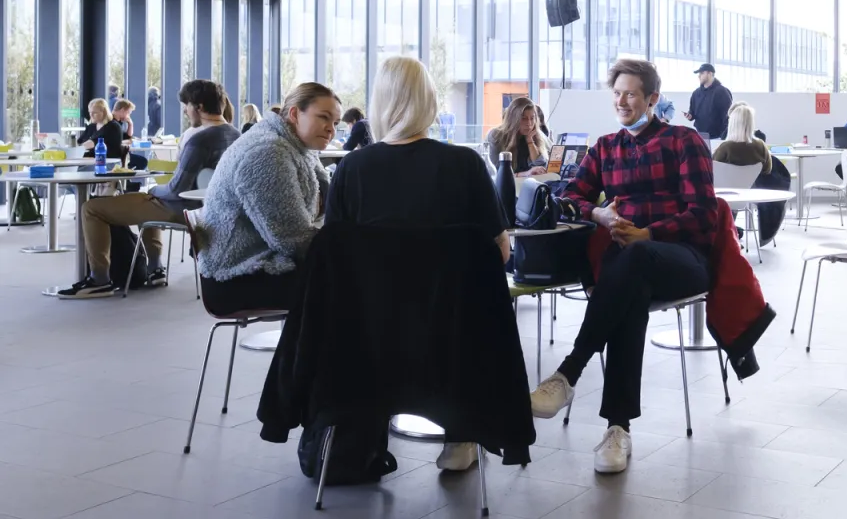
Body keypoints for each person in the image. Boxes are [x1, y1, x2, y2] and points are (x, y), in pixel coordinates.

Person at [529, 59, 717, 474]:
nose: (622, 101)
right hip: (630, 267)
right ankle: (618, 429)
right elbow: (569, 195)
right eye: (617, 94)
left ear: (652, 98)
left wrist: (648, 235)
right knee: (630, 285)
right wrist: (598, 216)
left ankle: (568, 372)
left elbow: (704, 214)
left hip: (684, 257)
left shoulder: (683, 141)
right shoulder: (606, 146)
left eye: (631, 94)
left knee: (630, 260)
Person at [325, 56, 509, 472]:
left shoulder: (350, 170)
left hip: (371, 338)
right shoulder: (464, 164)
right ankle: (461, 433)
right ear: (429, 101)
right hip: (452, 334)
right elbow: (498, 253)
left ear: (380, 103)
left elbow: (337, 260)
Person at [58, 80, 240, 299]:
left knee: (91, 208)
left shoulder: (199, 140)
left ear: (199, 107)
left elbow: (176, 191)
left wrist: (154, 190)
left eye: (186, 105)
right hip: (212, 210)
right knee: (146, 201)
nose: (184, 110)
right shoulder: (236, 135)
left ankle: (100, 280)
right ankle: (155, 270)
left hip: (183, 209)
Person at [196, 82, 336, 312]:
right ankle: (304, 348)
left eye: (335, 122)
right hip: (236, 276)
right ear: (294, 114)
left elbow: (327, 199)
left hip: (257, 260)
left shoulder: (296, 147)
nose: (331, 128)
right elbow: (293, 239)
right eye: (323, 117)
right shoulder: (267, 152)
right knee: (355, 281)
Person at [487, 96, 551, 176]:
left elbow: (541, 168)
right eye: (524, 118)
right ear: (513, 119)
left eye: (532, 118)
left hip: (529, 185)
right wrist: (526, 173)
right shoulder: (496, 136)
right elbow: (496, 173)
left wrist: (530, 142)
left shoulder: (535, 135)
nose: (529, 123)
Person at [712, 102, 771, 174]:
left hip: (728, 184)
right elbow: (768, 170)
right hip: (755, 185)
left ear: (732, 123)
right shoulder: (761, 146)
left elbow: (712, 169)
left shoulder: (725, 148)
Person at [683, 63, 733, 139]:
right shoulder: (696, 93)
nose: (699, 76)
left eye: (702, 73)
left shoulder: (722, 92)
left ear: (710, 73)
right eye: (699, 74)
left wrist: (723, 137)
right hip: (700, 136)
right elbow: (692, 111)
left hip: (717, 137)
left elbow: (728, 116)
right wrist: (690, 115)